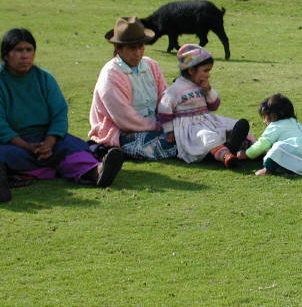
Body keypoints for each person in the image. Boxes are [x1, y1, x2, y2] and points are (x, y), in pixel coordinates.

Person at [0, 28, 124, 202]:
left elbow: (59, 113)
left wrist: (49, 142)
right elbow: (1, 125)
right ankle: (5, 179)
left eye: (29, 50)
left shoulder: (45, 79)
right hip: (13, 142)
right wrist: (27, 146)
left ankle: (96, 172)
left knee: (70, 147)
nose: (25, 56)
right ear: (6, 55)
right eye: (19, 50)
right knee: (6, 155)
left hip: (48, 139)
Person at [89, 16, 177, 161]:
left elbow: (164, 99)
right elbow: (125, 119)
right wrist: (160, 126)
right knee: (171, 144)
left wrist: (170, 123)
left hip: (156, 126)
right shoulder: (111, 74)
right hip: (122, 132)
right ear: (118, 48)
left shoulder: (151, 65)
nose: (138, 53)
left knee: (188, 133)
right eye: (132, 48)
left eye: (140, 47)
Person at [157, 44, 249, 168]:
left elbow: (214, 106)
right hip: (191, 128)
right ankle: (226, 155)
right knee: (207, 137)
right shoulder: (175, 89)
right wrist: (169, 131)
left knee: (237, 124)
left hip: (206, 120)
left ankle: (231, 147)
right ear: (191, 71)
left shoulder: (201, 85)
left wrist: (208, 91)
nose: (208, 75)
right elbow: (164, 109)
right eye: (205, 71)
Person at [237, 93, 302, 176]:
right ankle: (289, 168)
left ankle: (267, 170)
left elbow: (262, 144)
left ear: (273, 116)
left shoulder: (275, 126)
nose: (264, 121)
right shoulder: (294, 123)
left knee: (278, 148)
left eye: (265, 117)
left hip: (299, 156)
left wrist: (247, 154)